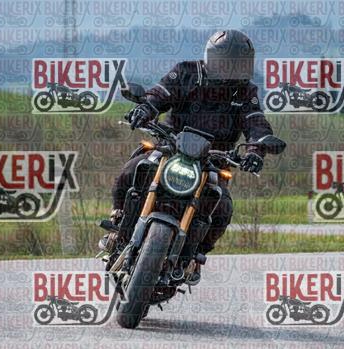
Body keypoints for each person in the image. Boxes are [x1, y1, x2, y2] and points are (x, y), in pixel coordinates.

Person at [101, 29, 276, 285]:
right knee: (135, 167)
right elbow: (160, 93)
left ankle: (195, 256)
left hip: (213, 161)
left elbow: (256, 123)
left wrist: (256, 150)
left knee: (222, 206)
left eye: (236, 64)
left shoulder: (246, 93)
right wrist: (145, 108)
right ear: (211, 58)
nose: (229, 70)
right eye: (224, 63)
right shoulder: (186, 72)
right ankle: (119, 220)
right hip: (171, 146)